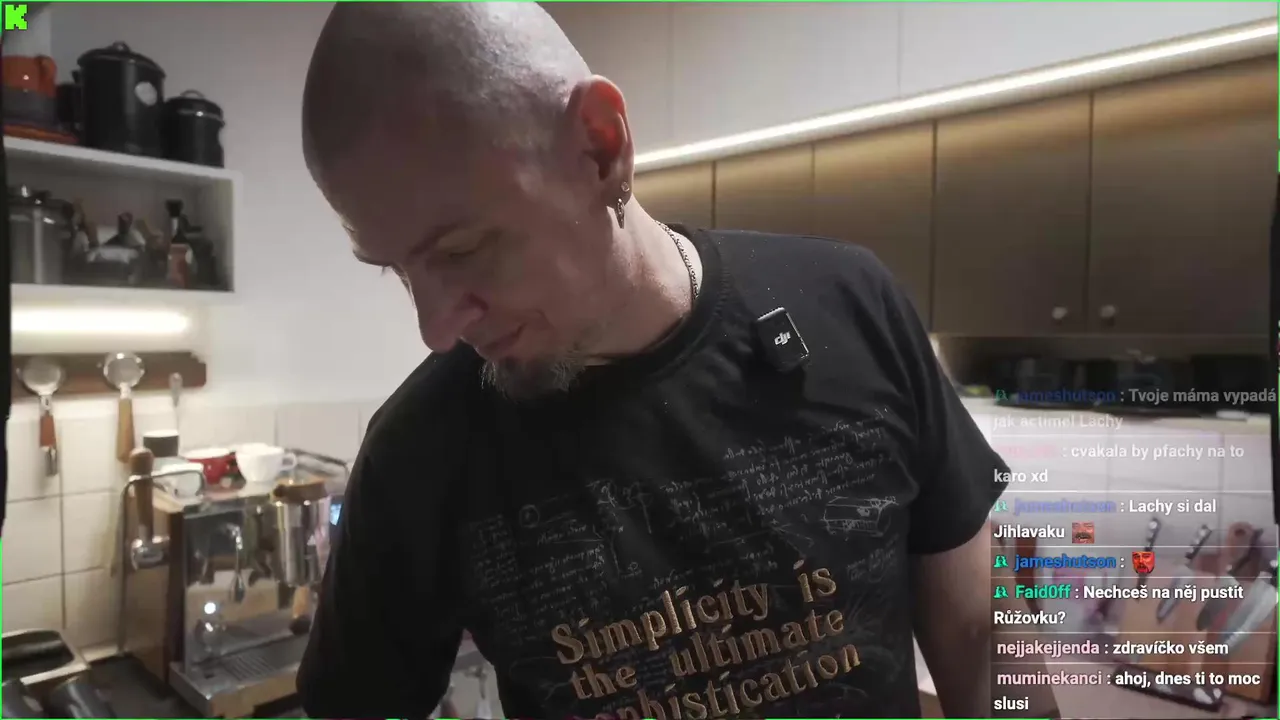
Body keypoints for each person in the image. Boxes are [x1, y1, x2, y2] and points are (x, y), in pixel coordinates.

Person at [296, 4, 1059, 719]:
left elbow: (979, 633)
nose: (435, 328)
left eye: (463, 250)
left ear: (600, 148)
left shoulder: (853, 307)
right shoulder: (418, 454)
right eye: (396, 269)